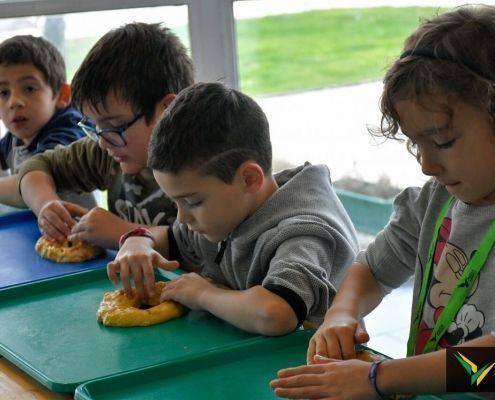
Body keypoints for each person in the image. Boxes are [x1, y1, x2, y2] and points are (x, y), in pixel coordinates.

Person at [270, 5, 495, 399]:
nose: (427, 164)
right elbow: (371, 269)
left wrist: (380, 378)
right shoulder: (435, 200)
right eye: (415, 143)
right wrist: (342, 315)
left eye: (443, 141)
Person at [109, 82, 359, 334]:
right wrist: (139, 241)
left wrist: (205, 294)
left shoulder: (303, 233)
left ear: (249, 179)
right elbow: (173, 239)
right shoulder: (227, 212)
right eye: (176, 202)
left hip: (313, 360)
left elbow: (277, 314)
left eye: (193, 202)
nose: (182, 217)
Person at [18, 23, 194, 249]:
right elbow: (36, 167)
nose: (102, 140)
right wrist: (46, 205)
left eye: (115, 125)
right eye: (94, 126)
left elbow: (202, 247)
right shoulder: (111, 150)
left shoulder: (204, 163)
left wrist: (123, 232)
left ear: (167, 110)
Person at [0, 35, 95, 208]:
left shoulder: (67, 133)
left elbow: (31, 186)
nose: (14, 102)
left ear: (62, 95)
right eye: (3, 93)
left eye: (29, 88)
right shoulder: (14, 137)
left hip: (79, 231)